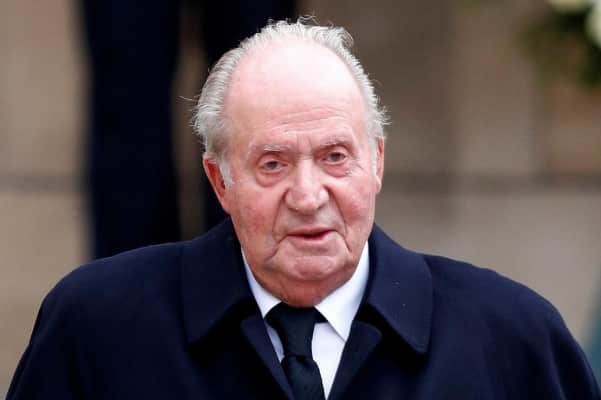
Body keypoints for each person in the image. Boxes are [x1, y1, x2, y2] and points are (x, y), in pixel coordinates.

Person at [8, 20, 600, 399]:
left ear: (377, 163)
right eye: (272, 164)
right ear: (220, 181)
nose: (309, 195)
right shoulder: (95, 330)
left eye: (335, 156)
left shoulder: (512, 338)